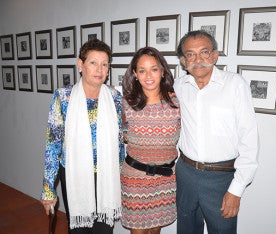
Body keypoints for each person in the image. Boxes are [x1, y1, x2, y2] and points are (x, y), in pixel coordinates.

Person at [174, 30, 259, 234]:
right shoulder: (178, 86)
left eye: (204, 52)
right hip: (185, 173)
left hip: (221, 179)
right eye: (190, 54)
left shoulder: (235, 85)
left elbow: (249, 140)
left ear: (214, 55)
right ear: (184, 60)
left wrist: (236, 190)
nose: (198, 60)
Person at [40, 39, 124, 234]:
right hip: (73, 173)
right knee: (79, 228)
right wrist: (48, 189)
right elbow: (52, 145)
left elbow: (119, 142)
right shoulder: (63, 97)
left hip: (107, 173)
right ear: (80, 65)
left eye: (105, 64)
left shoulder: (114, 97)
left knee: (104, 228)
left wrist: (121, 175)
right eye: (93, 63)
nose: (99, 69)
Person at [121, 47, 181, 234]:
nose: (148, 75)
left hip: (165, 178)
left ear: (162, 72)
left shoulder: (177, 101)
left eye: (154, 69)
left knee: (155, 230)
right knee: (138, 231)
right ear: (135, 74)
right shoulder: (126, 103)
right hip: (135, 178)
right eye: (142, 70)